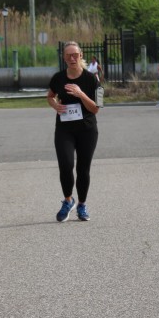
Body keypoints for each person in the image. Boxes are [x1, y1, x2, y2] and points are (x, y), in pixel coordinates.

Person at [47, 41, 101, 222]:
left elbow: (97, 108)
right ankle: (68, 200)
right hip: (65, 129)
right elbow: (49, 96)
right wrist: (55, 104)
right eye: (68, 55)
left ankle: (82, 205)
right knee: (65, 164)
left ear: (81, 55)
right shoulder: (58, 78)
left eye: (75, 55)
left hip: (87, 130)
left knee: (83, 169)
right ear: (64, 58)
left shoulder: (92, 79)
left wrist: (80, 94)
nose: (72, 58)